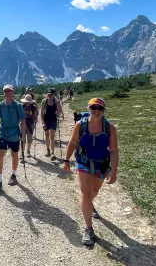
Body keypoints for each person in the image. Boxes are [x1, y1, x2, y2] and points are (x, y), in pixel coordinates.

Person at [63, 98, 119, 245]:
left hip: (101, 164)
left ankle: (89, 204)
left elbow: (113, 150)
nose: (96, 110)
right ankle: (88, 228)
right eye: (93, 107)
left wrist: (114, 172)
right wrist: (66, 160)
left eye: (100, 108)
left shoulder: (109, 128)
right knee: (85, 193)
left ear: (103, 110)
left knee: (94, 190)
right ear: (89, 108)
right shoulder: (80, 125)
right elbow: (73, 142)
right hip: (83, 162)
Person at [0, 84, 27, 192]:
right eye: (6, 91)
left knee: (14, 154)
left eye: (9, 91)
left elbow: (23, 120)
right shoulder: (0, 105)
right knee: (0, 153)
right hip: (3, 132)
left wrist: (23, 134)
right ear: (3, 93)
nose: (8, 93)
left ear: (12, 92)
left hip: (14, 133)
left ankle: (14, 175)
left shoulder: (18, 105)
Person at [40, 88, 62, 160]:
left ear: (53, 94)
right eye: (48, 94)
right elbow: (41, 113)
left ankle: (52, 153)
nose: (50, 96)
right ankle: (48, 150)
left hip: (53, 120)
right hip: (46, 120)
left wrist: (58, 111)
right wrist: (43, 122)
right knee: (47, 135)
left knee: (52, 136)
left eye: (51, 95)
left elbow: (58, 112)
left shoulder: (56, 101)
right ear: (47, 95)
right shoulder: (44, 101)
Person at [20, 94, 38, 160]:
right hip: (23, 124)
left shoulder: (33, 107)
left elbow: (36, 113)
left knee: (29, 138)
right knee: (23, 138)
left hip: (30, 124)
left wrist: (35, 118)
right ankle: (22, 153)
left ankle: (28, 151)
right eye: (26, 102)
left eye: (28, 102)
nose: (27, 103)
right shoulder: (21, 107)